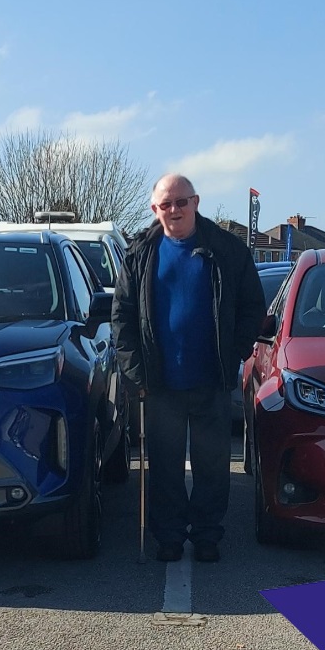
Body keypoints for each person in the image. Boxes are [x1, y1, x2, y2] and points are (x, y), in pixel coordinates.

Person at [112, 174, 266, 563]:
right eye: (166, 204)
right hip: (160, 382)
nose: (174, 210)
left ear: (196, 202)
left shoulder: (226, 249)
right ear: (154, 210)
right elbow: (123, 317)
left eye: (181, 202)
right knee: (164, 468)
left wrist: (234, 353)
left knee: (213, 466)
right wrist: (134, 371)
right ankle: (169, 537)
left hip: (211, 378)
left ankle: (208, 535)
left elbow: (252, 307)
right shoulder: (139, 254)